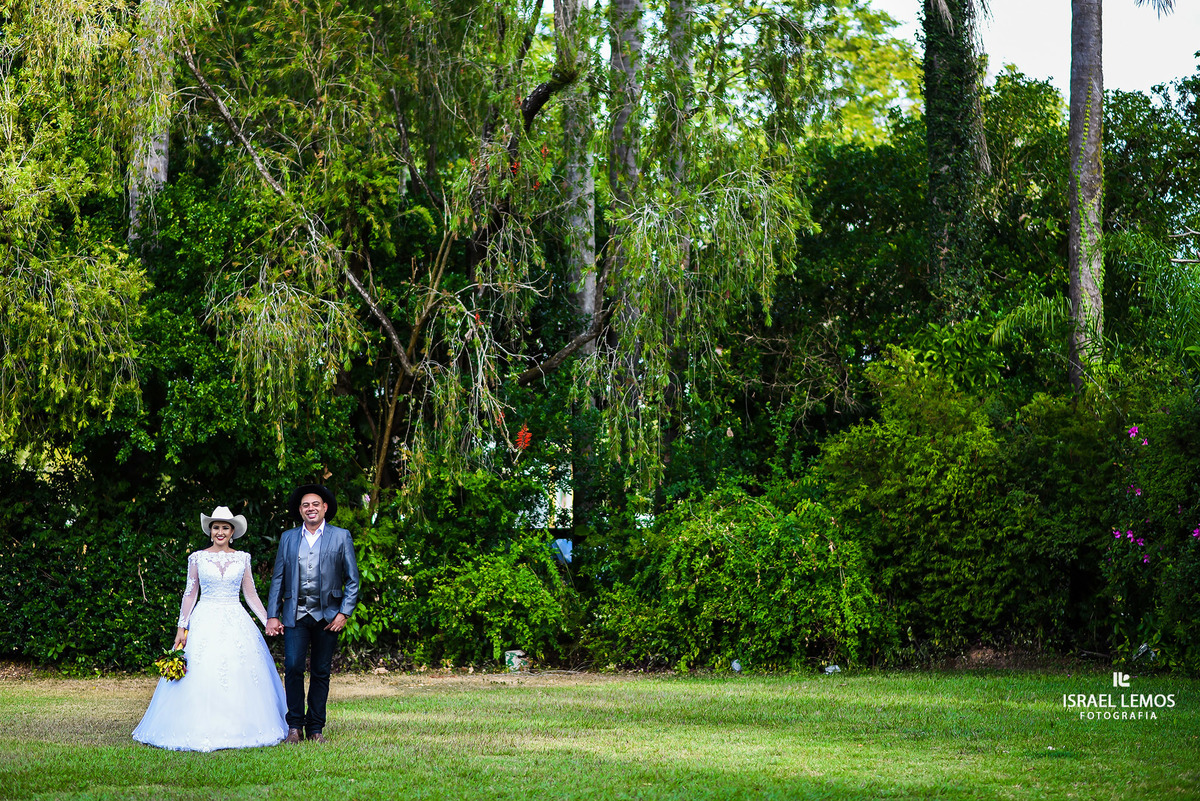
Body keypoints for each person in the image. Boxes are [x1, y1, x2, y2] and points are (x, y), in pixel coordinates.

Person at [133, 506, 288, 751]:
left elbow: (250, 594)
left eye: (225, 527)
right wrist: (181, 628)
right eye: (216, 527)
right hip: (204, 617)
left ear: (232, 532)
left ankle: (240, 726)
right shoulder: (197, 558)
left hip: (236, 618)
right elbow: (189, 593)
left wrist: (269, 619)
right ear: (210, 531)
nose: (220, 532)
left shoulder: (242, 558)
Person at [265, 484, 359, 744]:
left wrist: (344, 613)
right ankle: (294, 726)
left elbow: (352, 580)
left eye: (315, 504)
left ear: (325, 507)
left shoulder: (341, 537)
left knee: (320, 671)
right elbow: (278, 578)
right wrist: (273, 614)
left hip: (328, 617)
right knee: (293, 667)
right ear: (300, 510)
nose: (311, 508)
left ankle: (315, 728)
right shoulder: (288, 538)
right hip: (295, 614)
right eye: (306, 505)